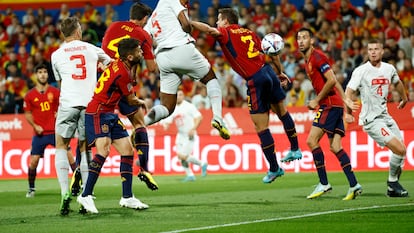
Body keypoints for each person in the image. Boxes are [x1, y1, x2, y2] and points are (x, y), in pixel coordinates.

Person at [190, 8, 302, 184]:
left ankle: (274, 168)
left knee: (261, 127)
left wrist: (189, 23)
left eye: (219, 20)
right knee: (282, 112)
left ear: (226, 22)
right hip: (268, 72)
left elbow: (210, 30)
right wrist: (279, 72)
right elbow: (271, 53)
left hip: (255, 79)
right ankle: (295, 148)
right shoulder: (250, 33)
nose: (217, 23)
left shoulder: (226, 32)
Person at [77, 38, 148, 214]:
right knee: (103, 150)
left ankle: (127, 197)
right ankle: (85, 195)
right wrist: (142, 101)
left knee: (127, 150)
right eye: (139, 51)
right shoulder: (123, 73)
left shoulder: (119, 65)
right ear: (130, 56)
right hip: (98, 112)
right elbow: (130, 99)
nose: (142, 53)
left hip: (108, 112)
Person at [143, 0, 230, 140]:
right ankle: (218, 118)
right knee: (210, 79)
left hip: (162, 57)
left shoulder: (154, 16)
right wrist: (190, 25)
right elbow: (186, 25)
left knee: (167, 107)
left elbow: (144, 38)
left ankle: (142, 124)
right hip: (181, 48)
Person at [51, 16, 111, 215]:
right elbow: (112, 65)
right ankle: (86, 195)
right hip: (89, 104)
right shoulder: (92, 49)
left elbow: (61, 83)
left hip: (68, 103)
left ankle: (63, 192)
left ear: (63, 33)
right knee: (85, 149)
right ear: (78, 31)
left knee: (61, 145)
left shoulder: (56, 55)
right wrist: (100, 69)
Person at [296, 27, 362, 200]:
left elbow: (332, 80)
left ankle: (324, 183)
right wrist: (345, 100)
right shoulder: (308, 60)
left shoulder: (317, 57)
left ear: (311, 41)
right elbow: (333, 79)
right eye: (298, 38)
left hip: (329, 105)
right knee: (335, 147)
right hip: (336, 105)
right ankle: (354, 185)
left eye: (304, 37)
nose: (301, 40)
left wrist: (317, 100)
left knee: (311, 140)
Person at [101, 2, 158, 191]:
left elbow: (103, 54)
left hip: (102, 80)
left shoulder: (113, 26)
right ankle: (144, 168)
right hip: (123, 83)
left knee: (89, 129)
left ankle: (78, 167)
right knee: (139, 124)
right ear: (144, 19)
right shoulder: (142, 35)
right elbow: (152, 68)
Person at [345, 39, 409, 197]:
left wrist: (404, 97)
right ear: (367, 52)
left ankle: (392, 189)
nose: (373, 52)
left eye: (376, 49)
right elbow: (349, 92)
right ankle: (393, 182)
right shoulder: (361, 71)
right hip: (371, 120)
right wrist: (347, 111)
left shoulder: (389, 69)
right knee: (399, 149)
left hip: (385, 116)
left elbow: (397, 82)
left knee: (402, 151)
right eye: (370, 49)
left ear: (382, 51)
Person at [23, 64, 77, 197]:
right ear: (36, 75)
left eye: (45, 72)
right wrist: (35, 126)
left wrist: (59, 113)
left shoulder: (55, 92)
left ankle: (78, 184)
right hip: (40, 133)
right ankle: (31, 188)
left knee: (70, 157)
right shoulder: (30, 95)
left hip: (56, 132)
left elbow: (64, 105)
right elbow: (28, 113)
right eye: (40, 72)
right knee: (34, 160)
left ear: (48, 75)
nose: (42, 74)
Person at [162, 89, 207, 181]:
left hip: (190, 134)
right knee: (180, 157)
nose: (179, 97)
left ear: (183, 96)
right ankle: (190, 175)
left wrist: (193, 128)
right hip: (180, 135)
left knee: (182, 155)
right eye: (177, 95)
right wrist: (166, 124)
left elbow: (199, 117)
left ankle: (202, 163)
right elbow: (168, 120)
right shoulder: (173, 108)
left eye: (181, 95)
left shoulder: (189, 106)